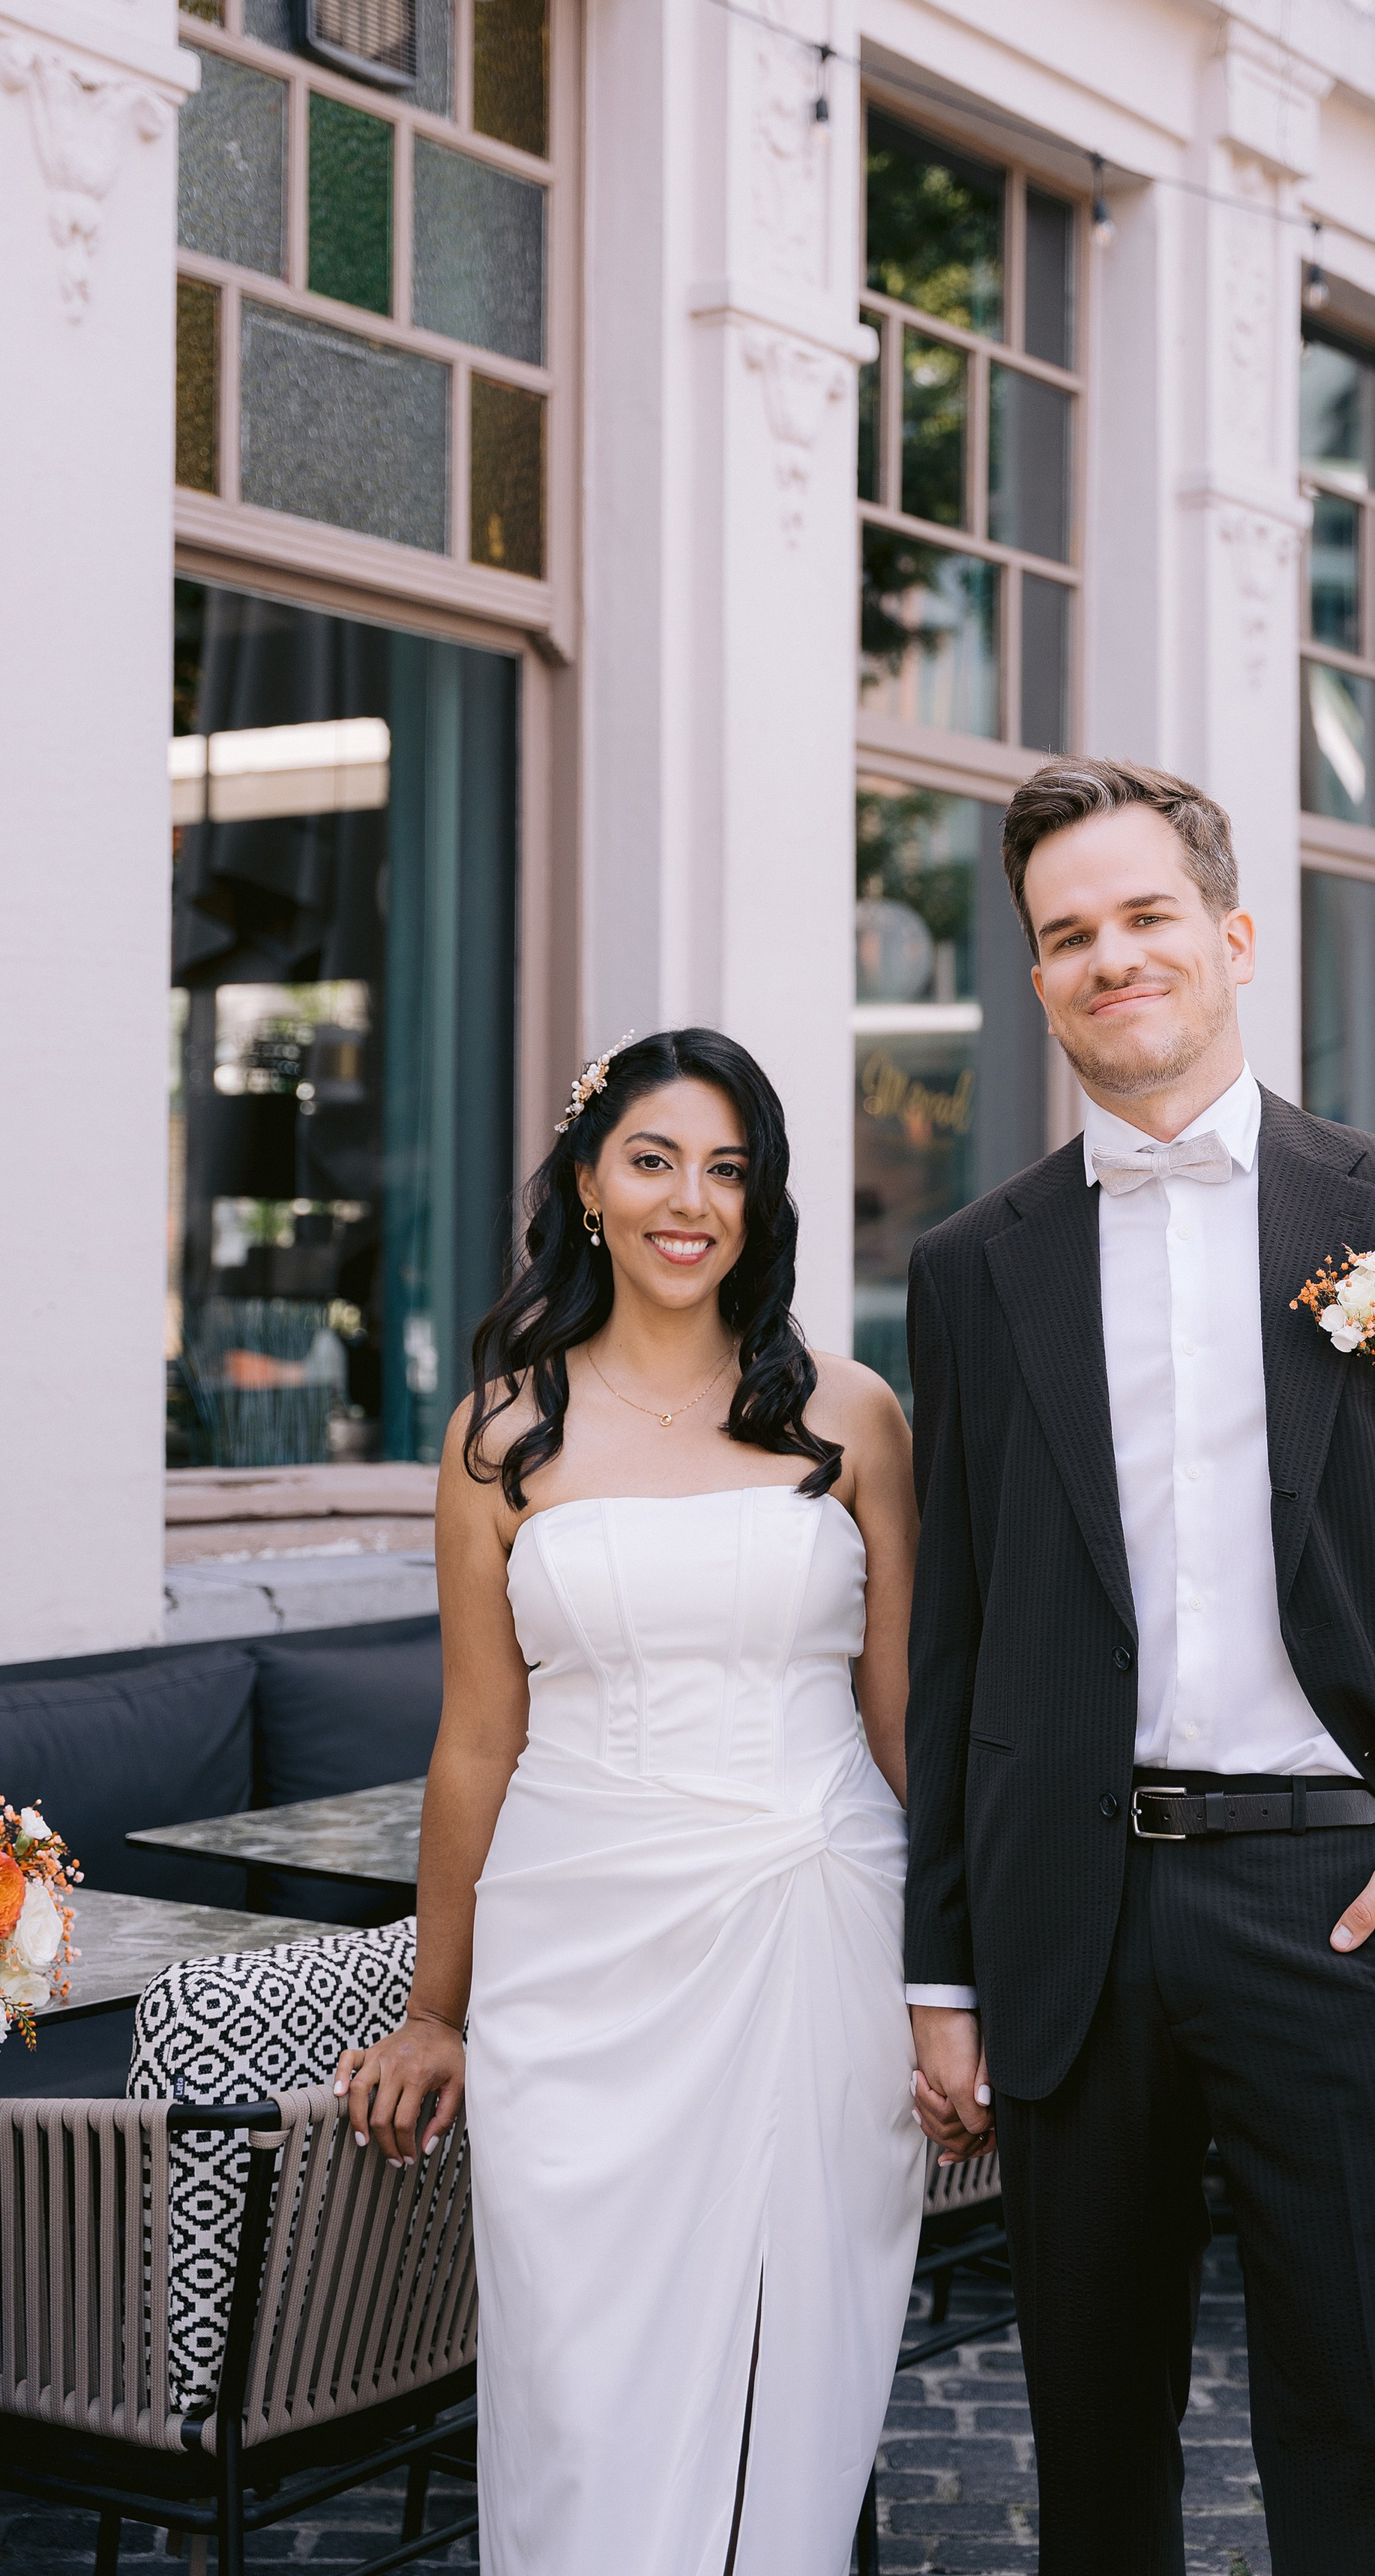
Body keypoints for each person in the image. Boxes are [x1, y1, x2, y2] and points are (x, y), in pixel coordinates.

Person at [904, 758, 1375, 2576]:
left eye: (1144, 915)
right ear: (1036, 980)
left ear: (1230, 936)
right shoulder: (971, 1270)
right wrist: (941, 1966)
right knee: (1092, 2454)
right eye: (1068, 934)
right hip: (1073, 1918)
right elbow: (952, 1637)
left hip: (1349, 1903)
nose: (1109, 957)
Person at [334, 1027, 923, 2576]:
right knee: (576, 2378)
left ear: (761, 1201)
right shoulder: (499, 1432)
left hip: (812, 1933)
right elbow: (478, 1741)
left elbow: (905, 1726)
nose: (690, 1202)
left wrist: (960, 1980)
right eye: (654, 1160)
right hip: (574, 1959)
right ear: (587, 1184)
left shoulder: (854, 1415)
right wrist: (436, 2012)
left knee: (794, 2364)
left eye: (727, 1170)